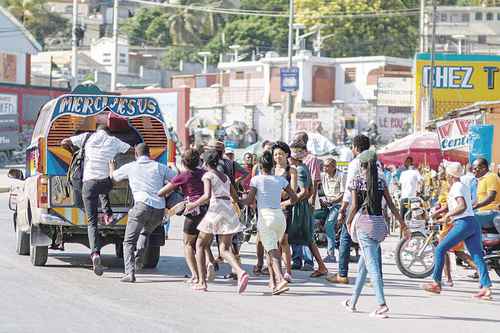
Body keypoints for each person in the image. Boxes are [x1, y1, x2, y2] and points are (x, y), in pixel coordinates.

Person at [342, 150, 409, 318]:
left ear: (361, 165)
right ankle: (352, 301)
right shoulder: (381, 181)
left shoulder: (356, 181)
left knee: (372, 266)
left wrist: (348, 222)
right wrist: (402, 223)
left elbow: (355, 206)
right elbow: (392, 205)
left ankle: (381, 304)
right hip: (379, 225)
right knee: (363, 266)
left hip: (363, 224)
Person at [61, 124, 131, 276]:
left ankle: (95, 254)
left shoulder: (87, 137)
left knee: (91, 222)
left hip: (89, 184)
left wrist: (76, 152)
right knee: (106, 186)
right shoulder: (113, 140)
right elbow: (130, 149)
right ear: (108, 132)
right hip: (106, 183)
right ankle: (108, 215)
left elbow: (64, 142)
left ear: (97, 131)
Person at [423, 162, 493, 300]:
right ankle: (486, 288)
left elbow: (462, 206)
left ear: (450, 175)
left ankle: (436, 283)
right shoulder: (462, 186)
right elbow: (455, 206)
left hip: (463, 223)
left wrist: (448, 216)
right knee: (477, 256)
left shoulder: (456, 187)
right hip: (472, 222)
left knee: (440, 250)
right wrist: (440, 214)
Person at [109, 143, 176, 282]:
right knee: (145, 232)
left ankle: (130, 273)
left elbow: (113, 178)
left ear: (135, 154)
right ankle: (139, 258)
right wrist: (166, 192)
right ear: (149, 154)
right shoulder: (159, 166)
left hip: (141, 206)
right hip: (158, 210)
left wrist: (111, 167)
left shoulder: (131, 166)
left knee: (128, 242)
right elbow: (176, 180)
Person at [185, 150, 248, 292]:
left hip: (216, 209)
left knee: (200, 244)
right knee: (225, 249)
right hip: (229, 210)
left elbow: (207, 196)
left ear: (206, 163)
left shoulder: (208, 175)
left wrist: (193, 205)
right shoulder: (225, 177)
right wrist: (244, 201)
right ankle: (240, 271)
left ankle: (202, 282)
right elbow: (235, 197)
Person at [241, 151, 298, 295]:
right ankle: (273, 282)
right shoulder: (280, 180)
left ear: (260, 165)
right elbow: (294, 198)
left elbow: (248, 201)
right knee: (270, 249)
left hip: (266, 218)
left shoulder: (256, 180)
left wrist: (235, 199)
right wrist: (283, 204)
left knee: (273, 251)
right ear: (273, 166)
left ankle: (280, 279)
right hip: (280, 217)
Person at [158, 149, 214, 284]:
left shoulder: (183, 176)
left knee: (188, 244)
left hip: (192, 213)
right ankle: (209, 263)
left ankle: (195, 275)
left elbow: (161, 192)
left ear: (183, 162)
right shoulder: (205, 174)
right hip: (208, 211)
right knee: (203, 244)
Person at [328, 134, 374, 284]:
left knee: (345, 238)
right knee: (370, 242)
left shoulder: (355, 163)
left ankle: (342, 274)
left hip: (356, 205)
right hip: (373, 206)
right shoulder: (375, 163)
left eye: (352, 147)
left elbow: (349, 191)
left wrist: (342, 210)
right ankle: (373, 275)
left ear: (356, 148)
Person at [287, 141, 328, 277]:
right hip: (301, 206)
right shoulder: (300, 168)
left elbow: (305, 191)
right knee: (304, 238)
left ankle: (321, 266)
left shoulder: (300, 169)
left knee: (306, 238)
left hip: (300, 208)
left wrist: (289, 201)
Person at [291, 132, 322, 270]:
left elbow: (315, 182)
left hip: (306, 198)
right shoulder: (294, 161)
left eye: (297, 139)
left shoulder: (311, 159)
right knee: (295, 229)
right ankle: (296, 259)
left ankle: (309, 261)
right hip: (296, 197)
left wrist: (312, 199)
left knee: (306, 230)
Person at [272, 141, 297, 281]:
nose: (278, 157)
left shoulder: (291, 170)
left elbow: (291, 192)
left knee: (283, 240)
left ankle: (288, 271)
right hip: (270, 208)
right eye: (275, 154)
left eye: (280, 154)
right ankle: (276, 270)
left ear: (287, 154)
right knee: (272, 241)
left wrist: (283, 198)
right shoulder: (270, 170)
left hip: (285, 208)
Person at [318, 158, 346, 263]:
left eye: (327, 166)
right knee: (310, 218)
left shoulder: (341, 176)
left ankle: (331, 254)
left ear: (334, 167)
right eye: (324, 166)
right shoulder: (323, 176)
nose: (324, 168)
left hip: (338, 205)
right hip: (326, 204)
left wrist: (331, 201)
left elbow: (343, 195)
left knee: (329, 225)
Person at [472, 158, 500, 229]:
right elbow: (479, 199)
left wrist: (476, 206)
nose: (473, 171)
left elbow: (491, 197)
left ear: (484, 168)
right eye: (473, 169)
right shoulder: (481, 180)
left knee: (468, 219)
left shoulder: (491, 176)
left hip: (492, 212)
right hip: (483, 212)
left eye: (475, 169)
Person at [398, 157, 423, 221]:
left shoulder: (403, 173)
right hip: (412, 199)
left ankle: (402, 230)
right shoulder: (415, 172)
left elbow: (400, 185)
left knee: (402, 217)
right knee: (410, 218)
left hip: (404, 198)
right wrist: (419, 190)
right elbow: (421, 182)